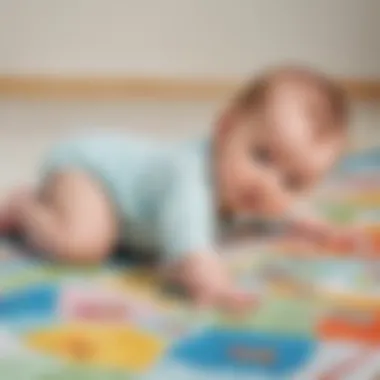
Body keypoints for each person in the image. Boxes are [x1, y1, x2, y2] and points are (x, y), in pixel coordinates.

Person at [0, 66, 351, 311]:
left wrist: (303, 221)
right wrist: (212, 281)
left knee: (101, 235)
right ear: (226, 129)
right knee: (83, 244)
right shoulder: (189, 176)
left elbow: (282, 205)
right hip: (89, 172)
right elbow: (189, 244)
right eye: (261, 156)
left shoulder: (244, 187)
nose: (267, 185)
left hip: (116, 196)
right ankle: (24, 205)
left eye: (293, 182)